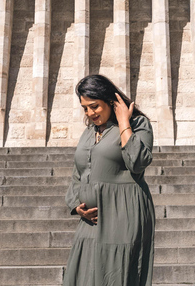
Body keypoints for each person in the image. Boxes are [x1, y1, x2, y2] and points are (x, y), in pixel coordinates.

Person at [63, 75, 155, 286]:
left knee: (116, 275)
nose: (90, 113)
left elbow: (138, 163)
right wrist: (76, 206)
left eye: (94, 106)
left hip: (123, 212)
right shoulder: (89, 131)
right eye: (85, 108)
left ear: (110, 101)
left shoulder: (138, 124)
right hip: (91, 220)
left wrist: (123, 122)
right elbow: (79, 171)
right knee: (82, 274)